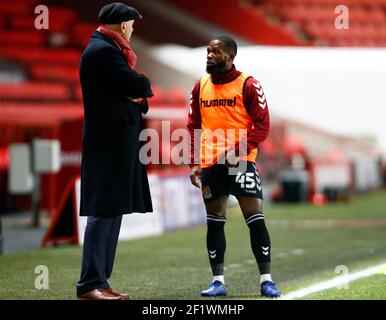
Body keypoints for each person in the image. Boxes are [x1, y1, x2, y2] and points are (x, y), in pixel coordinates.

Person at [187, 36, 281, 298]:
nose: (208, 55)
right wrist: (194, 161)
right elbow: (193, 126)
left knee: (255, 219)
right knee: (215, 223)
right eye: (207, 51)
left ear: (230, 56)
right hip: (210, 163)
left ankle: (266, 280)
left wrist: (238, 150)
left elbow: (262, 126)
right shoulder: (200, 86)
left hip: (240, 161)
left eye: (215, 51)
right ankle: (217, 281)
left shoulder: (248, 84)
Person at [76, 3, 153, 300]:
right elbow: (139, 84)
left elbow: (138, 94)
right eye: (132, 24)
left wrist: (138, 95)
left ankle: (100, 282)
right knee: (104, 211)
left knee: (112, 210)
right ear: (123, 25)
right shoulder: (104, 52)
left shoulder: (108, 50)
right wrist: (141, 88)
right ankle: (89, 284)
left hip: (115, 144)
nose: (133, 29)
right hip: (107, 144)